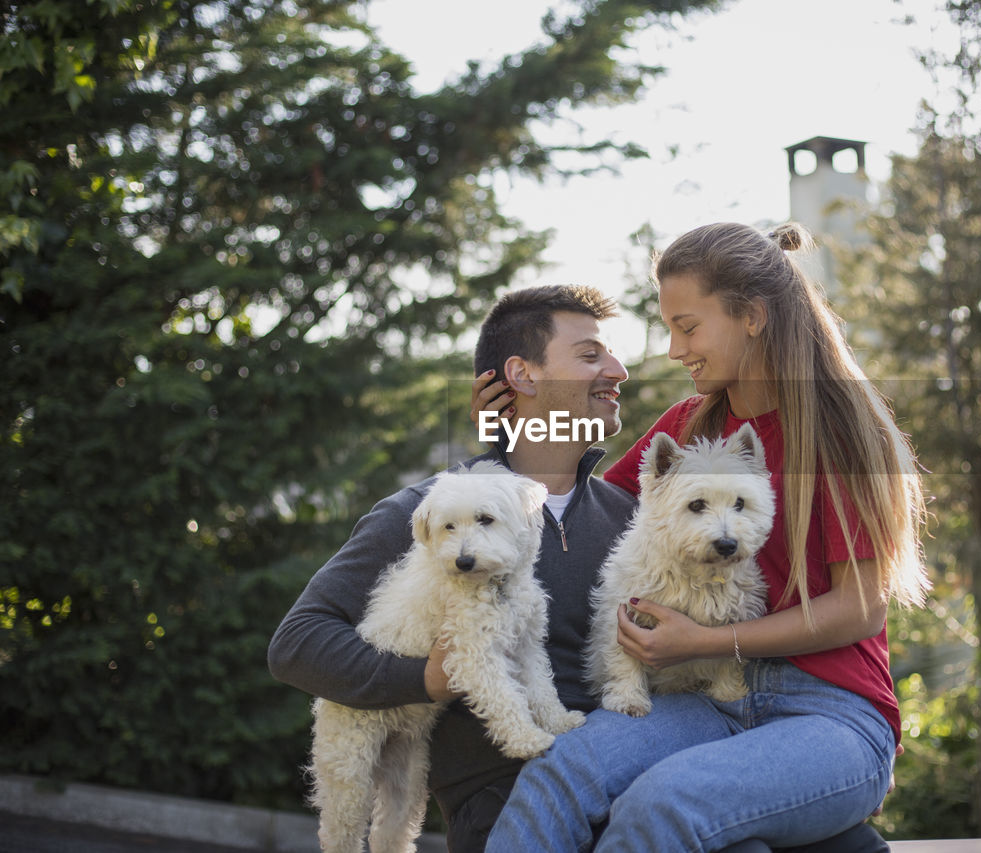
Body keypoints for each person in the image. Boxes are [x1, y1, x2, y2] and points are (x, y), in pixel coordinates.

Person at [482, 222, 929, 853]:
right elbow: (579, 509)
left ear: (752, 316)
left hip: (831, 716)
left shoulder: (843, 436)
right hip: (702, 698)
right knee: (559, 775)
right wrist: (511, 430)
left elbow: (860, 608)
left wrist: (710, 641)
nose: (672, 349)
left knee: (660, 805)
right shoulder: (687, 427)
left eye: (687, 326)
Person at [268, 284, 637, 853]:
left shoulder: (627, 516)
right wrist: (426, 679)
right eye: (591, 355)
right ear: (524, 375)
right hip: (507, 808)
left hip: (633, 786)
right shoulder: (425, 514)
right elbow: (297, 644)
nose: (619, 370)